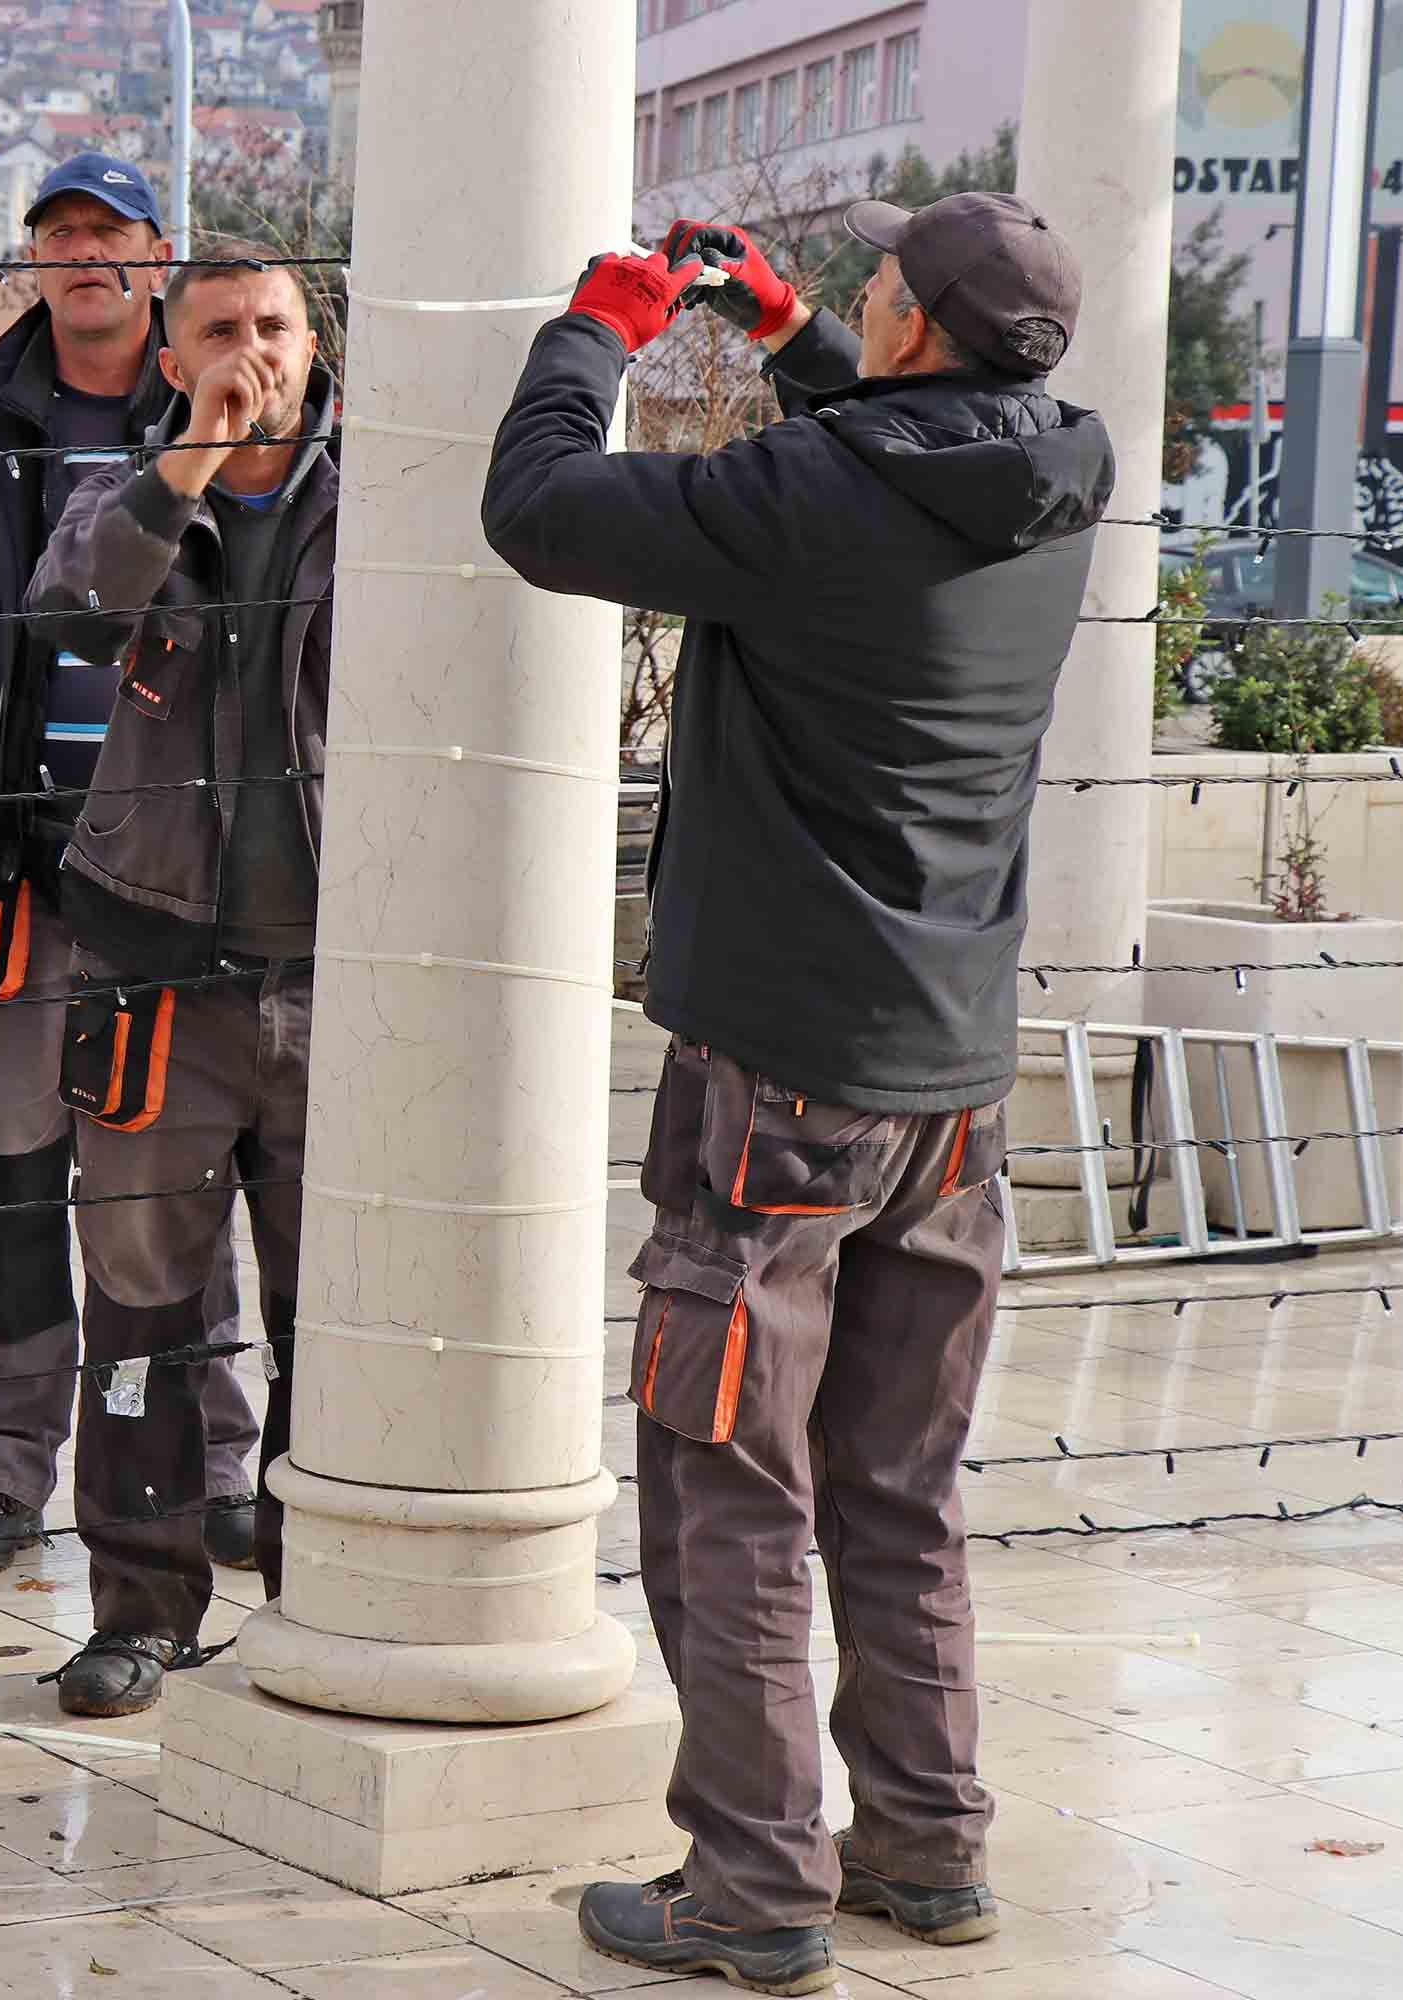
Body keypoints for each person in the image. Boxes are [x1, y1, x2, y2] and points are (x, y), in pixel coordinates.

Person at [482, 194, 1114, 1995]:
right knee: (899, 1486)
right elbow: (898, 448)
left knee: (726, 1476)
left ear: (912, 321)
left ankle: (754, 1888)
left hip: (779, 1077)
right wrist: (789, 342)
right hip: (952, 1083)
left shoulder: (812, 507)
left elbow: (539, 510)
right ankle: (926, 1849)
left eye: (874, 296)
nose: (859, 309)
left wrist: (597, 331)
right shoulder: (1063, 465)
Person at [0, 153, 264, 1582]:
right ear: (31, 262)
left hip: (182, 876)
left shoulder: (228, 412)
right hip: (16, 866)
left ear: (158, 259)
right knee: (13, 1182)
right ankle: (3, 1469)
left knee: (177, 1187)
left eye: (108, 232)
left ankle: (211, 1467)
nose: (82, 253)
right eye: (58, 233)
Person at [25, 244, 335, 1717]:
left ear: (316, 339)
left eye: (274, 326)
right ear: (171, 355)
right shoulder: (129, 494)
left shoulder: (379, 499)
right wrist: (201, 453)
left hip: (347, 979)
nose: (251, 350)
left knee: (336, 1311)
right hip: (156, 970)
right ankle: (136, 1607)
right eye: (219, 329)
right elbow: (77, 611)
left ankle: (327, 1591)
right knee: (141, 1310)